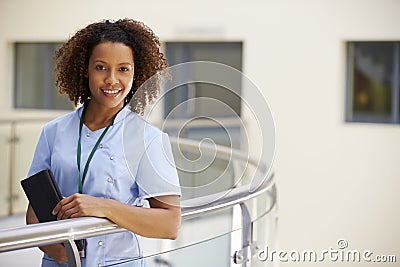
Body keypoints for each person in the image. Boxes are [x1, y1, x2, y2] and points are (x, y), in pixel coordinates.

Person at [25, 18, 181, 267]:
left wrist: (103, 207)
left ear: (136, 73)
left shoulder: (148, 139)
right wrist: (57, 250)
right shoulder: (53, 132)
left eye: (123, 69)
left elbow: (170, 224)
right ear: (84, 69)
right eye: (100, 67)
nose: (111, 79)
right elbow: (35, 209)